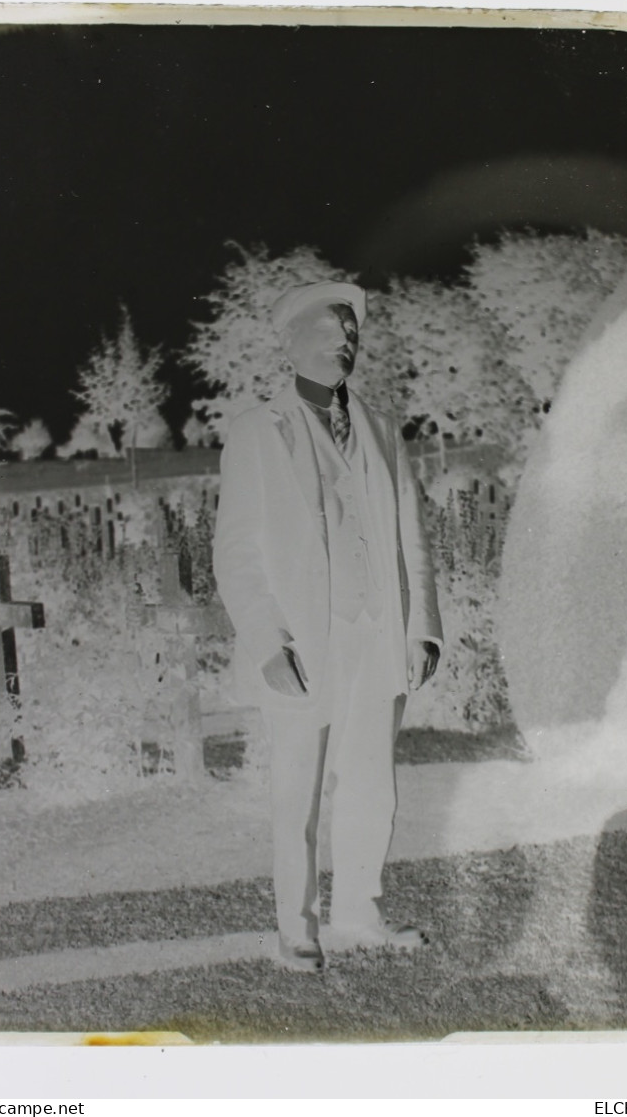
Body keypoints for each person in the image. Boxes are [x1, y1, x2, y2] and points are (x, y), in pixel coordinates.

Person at [213, 280, 443, 973]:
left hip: (377, 636)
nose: (347, 340)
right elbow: (236, 551)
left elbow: (412, 537)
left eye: (351, 330)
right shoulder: (259, 432)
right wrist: (267, 643)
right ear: (293, 342)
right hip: (303, 645)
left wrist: (422, 626)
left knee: (373, 783)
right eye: (332, 329)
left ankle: (359, 915)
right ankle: (297, 928)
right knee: (299, 788)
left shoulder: (377, 426)